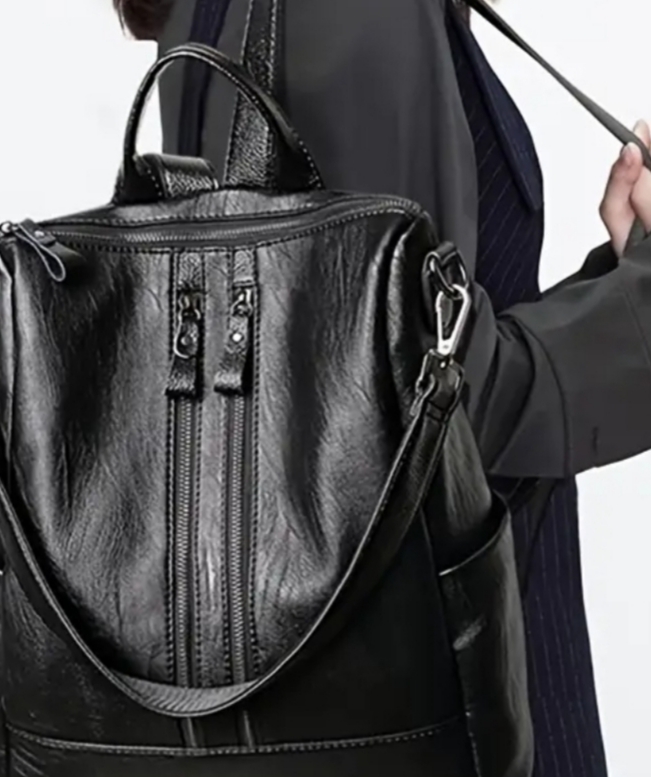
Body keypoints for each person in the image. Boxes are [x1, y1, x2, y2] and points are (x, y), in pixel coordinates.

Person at [115, 1, 651, 775]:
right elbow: (422, 407)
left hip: (318, 662)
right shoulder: (354, 13)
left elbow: (359, 345)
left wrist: (621, 278)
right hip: (444, 671)